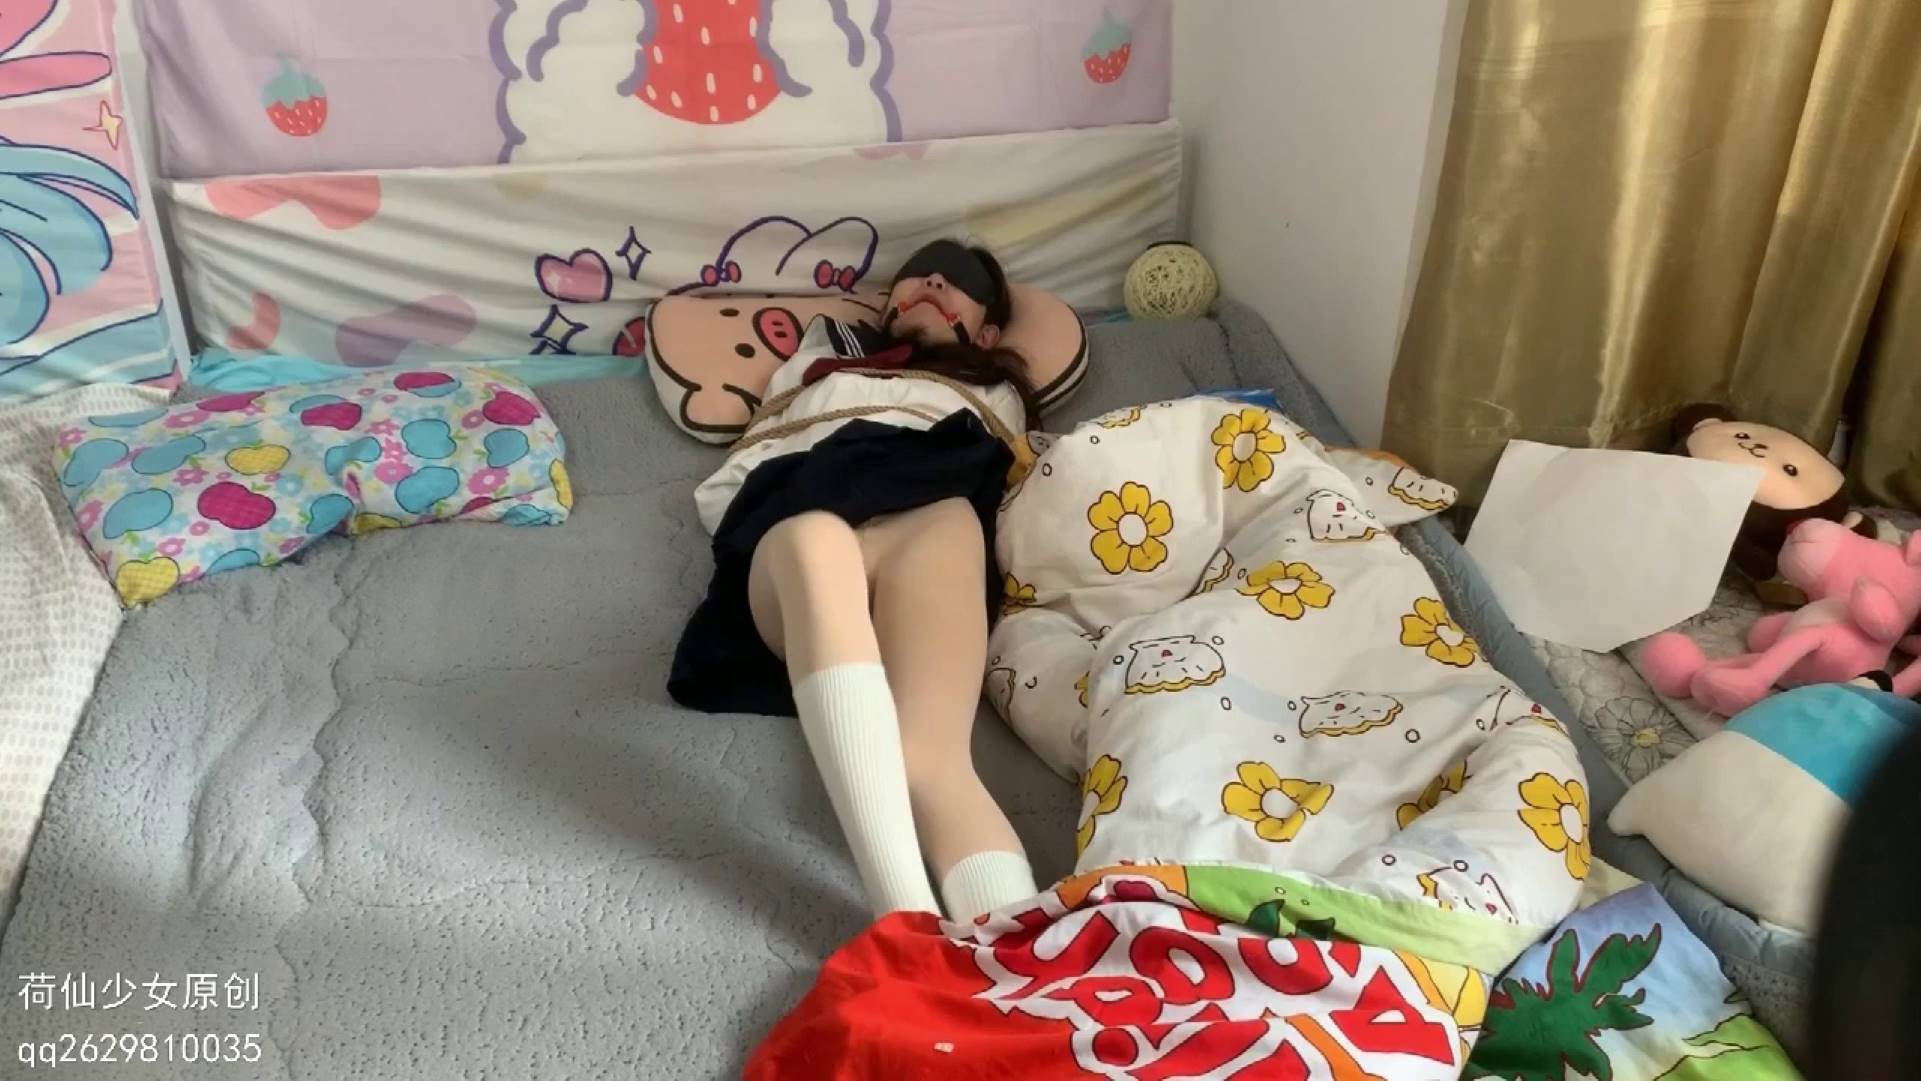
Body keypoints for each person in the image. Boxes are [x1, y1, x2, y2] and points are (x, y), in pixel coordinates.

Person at [669, 239, 1041, 920]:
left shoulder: (994, 392)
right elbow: (734, 483)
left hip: (927, 517)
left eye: (958, 282)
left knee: (931, 760)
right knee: (815, 539)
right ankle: (903, 919)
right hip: (801, 530)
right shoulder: (815, 368)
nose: (933, 278)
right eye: (918, 273)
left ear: (987, 333)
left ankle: (1017, 961)